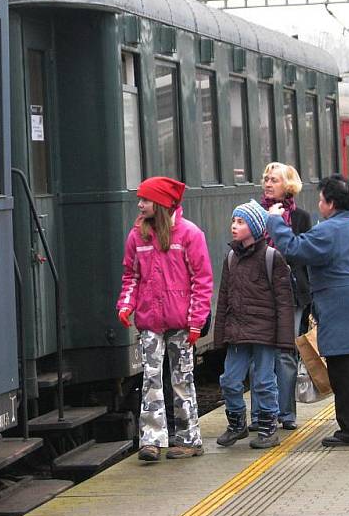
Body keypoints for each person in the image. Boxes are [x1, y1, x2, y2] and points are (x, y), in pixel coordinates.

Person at [266, 174, 349, 447]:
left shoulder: (330, 230)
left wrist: (274, 221)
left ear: (330, 203)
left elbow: (295, 249)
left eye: (320, 199)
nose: (318, 204)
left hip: (343, 305)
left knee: (344, 370)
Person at [116, 176, 213, 462]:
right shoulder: (137, 236)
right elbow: (131, 275)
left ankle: (188, 439)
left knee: (182, 379)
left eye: (145, 200)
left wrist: (196, 322)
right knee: (151, 379)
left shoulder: (189, 235)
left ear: (161, 203)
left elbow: (201, 280)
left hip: (181, 322)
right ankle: (151, 440)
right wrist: (125, 305)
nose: (140, 204)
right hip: (150, 320)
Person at [214, 200, 295, 449]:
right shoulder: (231, 258)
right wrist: (220, 335)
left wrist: (284, 339)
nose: (234, 226)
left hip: (264, 333)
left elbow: (284, 302)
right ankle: (237, 423)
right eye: (233, 221)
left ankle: (268, 427)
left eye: (240, 222)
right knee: (229, 379)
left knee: (264, 381)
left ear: (255, 227)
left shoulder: (272, 258)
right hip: (238, 333)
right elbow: (224, 297)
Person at [248, 162, 312, 432]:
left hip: (291, 293)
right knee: (258, 354)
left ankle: (286, 413)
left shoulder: (301, 218)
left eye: (274, 179)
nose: (268, 183)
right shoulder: (253, 214)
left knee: (285, 355)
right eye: (266, 179)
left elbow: (305, 256)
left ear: (288, 185)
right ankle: (259, 414)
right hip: (259, 294)